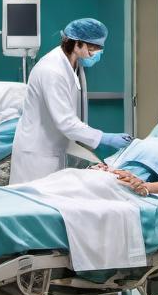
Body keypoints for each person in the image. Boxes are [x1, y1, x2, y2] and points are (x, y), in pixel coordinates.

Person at [9, 18, 131, 184]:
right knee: (35, 202)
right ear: (76, 44)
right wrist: (104, 138)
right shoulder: (52, 71)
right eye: (93, 48)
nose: (97, 52)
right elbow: (65, 122)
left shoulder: (73, 65)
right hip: (37, 153)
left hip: (54, 148)